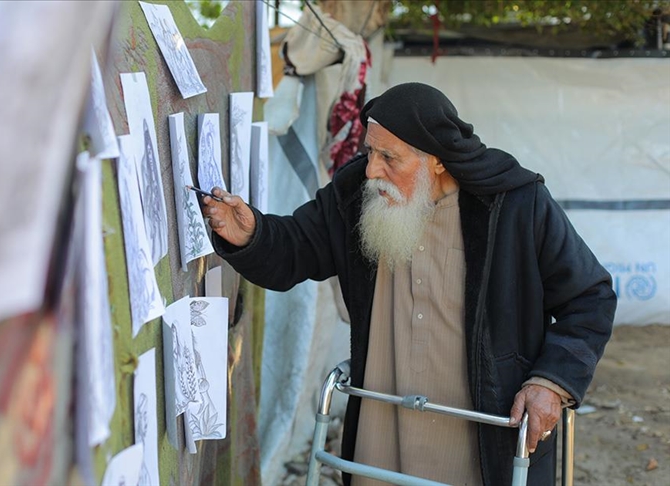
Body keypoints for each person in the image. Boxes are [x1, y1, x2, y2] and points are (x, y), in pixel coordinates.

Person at [200, 83, 616, 486]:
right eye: (370, 152)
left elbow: (590, 296)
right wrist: (251, 234)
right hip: (382, 438)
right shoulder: (355, 195)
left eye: (389, 158)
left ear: (437, 160)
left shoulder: (514, 204)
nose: (371, 170)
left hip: (481, 440)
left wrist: (550, 382)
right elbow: (294, 248)